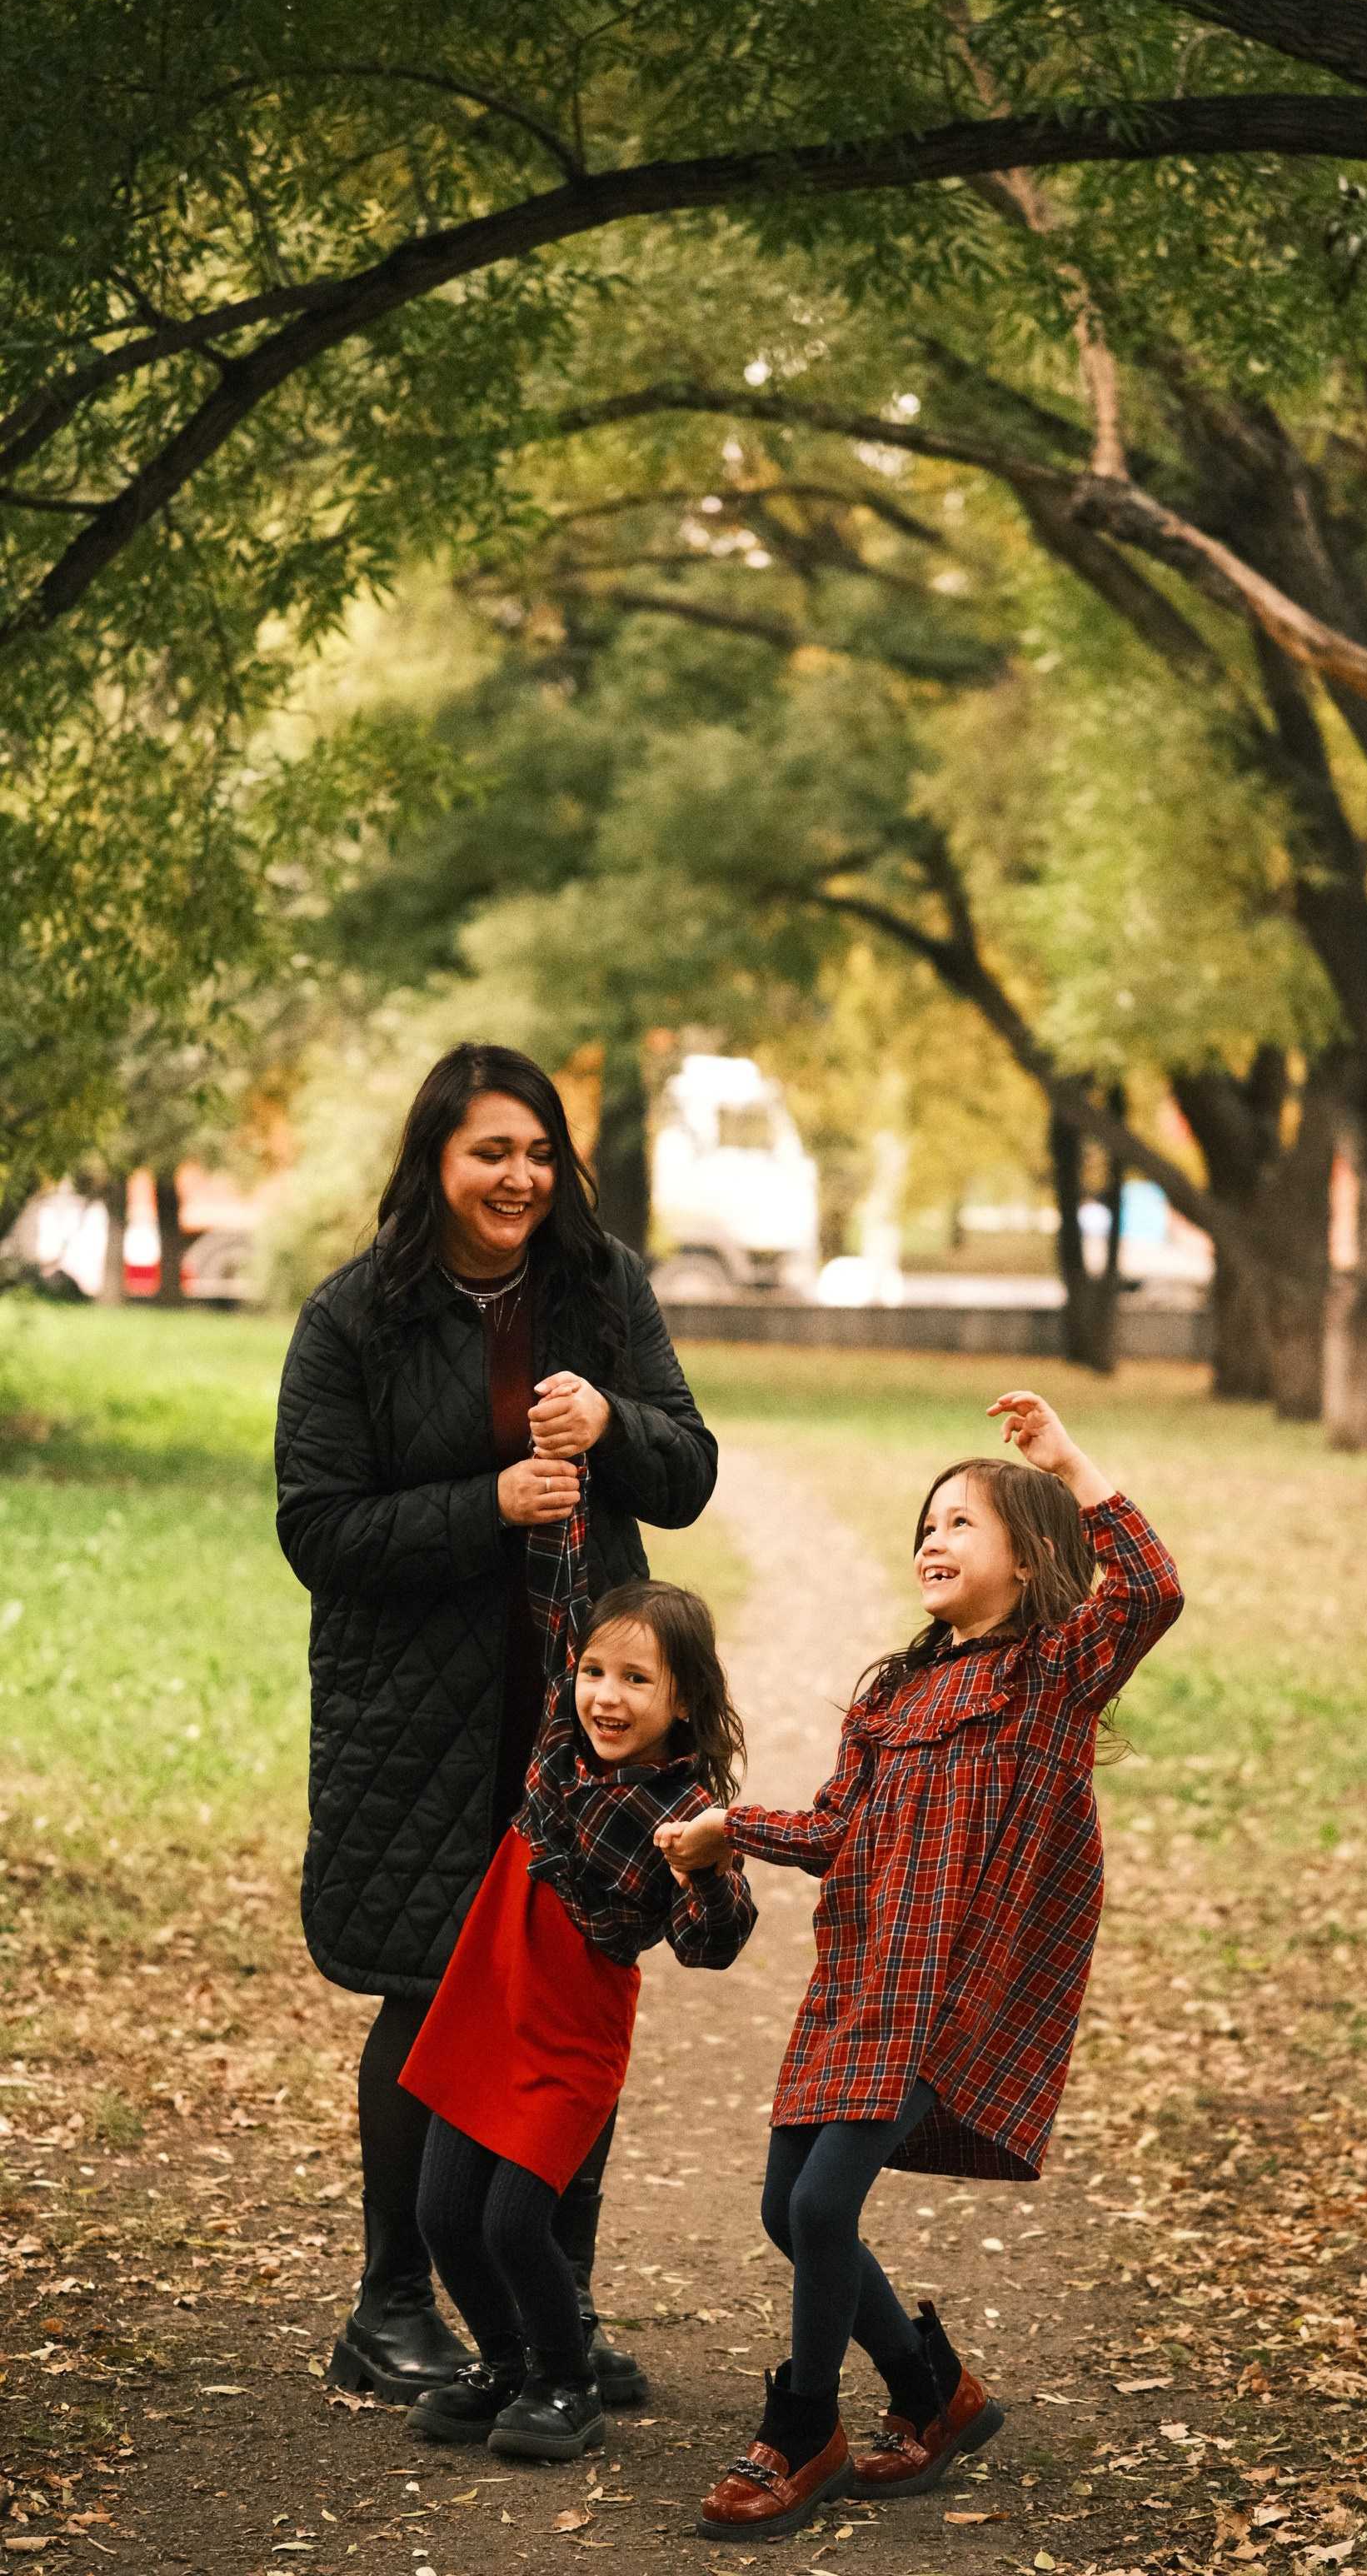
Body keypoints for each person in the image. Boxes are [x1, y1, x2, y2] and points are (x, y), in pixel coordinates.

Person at [275, 1041, 719, 2404]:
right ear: (437, 1163)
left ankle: (552, 2312)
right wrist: (489, 1505)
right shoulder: (357, 1318)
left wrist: (618, 1422)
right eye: (490, 1152)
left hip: (580, 1718)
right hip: (416, 1718)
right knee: (427, 1992)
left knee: (567, 1984)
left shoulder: (601, 1288)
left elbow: (688, 1471)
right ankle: (391, 2305)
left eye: (537, 1152)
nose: (519, 1177)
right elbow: (318, 1528)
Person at [657, 1390, 1184, 2539]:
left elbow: (1152, 1590)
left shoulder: (1051, 1675)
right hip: (861, 1984)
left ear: (1032, 1556)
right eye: (926, 1525)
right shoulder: (891, 1694)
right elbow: (840, 1827)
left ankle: (804, 2429)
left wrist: (1066, 1458)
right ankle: (935, 2393)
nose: (932, 1541)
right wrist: (728, 1829)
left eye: (962, 1524)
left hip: (955, 1993)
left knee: (827, 2201)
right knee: (786, 2211)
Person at [400, 1454, 756, 2458]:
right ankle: (507, 2359)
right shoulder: (560, 1738)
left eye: (636, 1680)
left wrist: (707, 1868)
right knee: (442, 2217)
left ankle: (565, 2381)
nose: (605, 1694)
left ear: (681, 1703)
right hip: (483, 2003)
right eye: (597, 1673)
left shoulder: (682, 1811)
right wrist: (566, 1472)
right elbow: (557, 1601)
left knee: (517, 2224)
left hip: (567, 2034)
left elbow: (713, 1946)